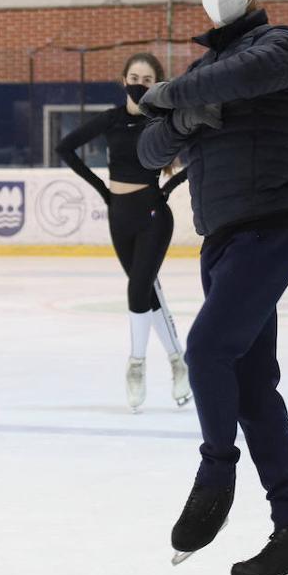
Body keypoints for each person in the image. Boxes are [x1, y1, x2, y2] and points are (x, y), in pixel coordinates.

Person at [138, 0, 288, 575]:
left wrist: (172, 96)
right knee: (253, 391)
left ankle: (216, 470)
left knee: (206, 351)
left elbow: (232, 81)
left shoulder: (278, 47)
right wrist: (189, 115)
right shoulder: (199, 76)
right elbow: (148, 147)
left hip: (269, 232)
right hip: (220, 244)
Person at [55, 53, 191, 413]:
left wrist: (169, 187)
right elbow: (64, 148)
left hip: (153, 216)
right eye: (134, 77)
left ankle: (136, 366)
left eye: (147, 80)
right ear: (123, 79)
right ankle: (179, 362)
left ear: (156, 85)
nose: (139, 84)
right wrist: (103, 191)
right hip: (119, 216)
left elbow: (206, 151)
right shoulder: (111, 120)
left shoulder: (165, 122)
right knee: (147, 292)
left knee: (138, 289)